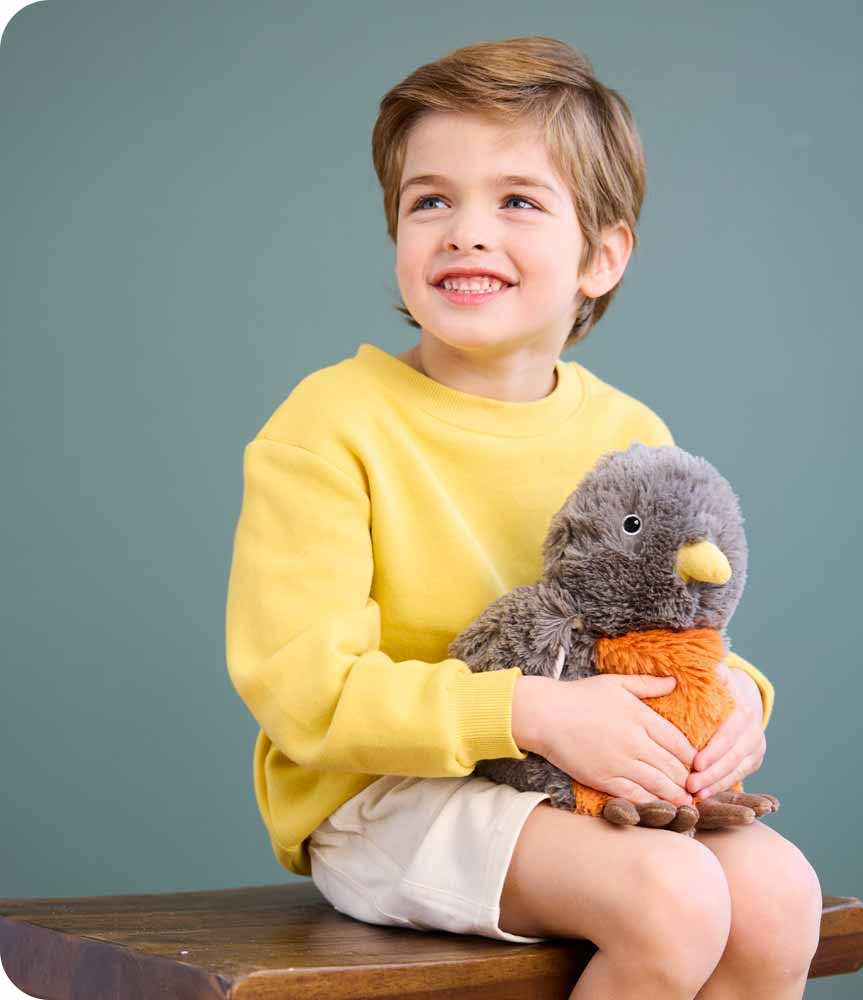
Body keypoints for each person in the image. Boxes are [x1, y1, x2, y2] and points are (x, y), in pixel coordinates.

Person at [225, 35, 822, 1000]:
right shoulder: (328, 424)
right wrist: (531, 711)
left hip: (574, 784)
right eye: (431, 200)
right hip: (385, 795)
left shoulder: (629, 432)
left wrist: (741, 698)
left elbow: (674, 623)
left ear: (602, 255)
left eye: (517, 200)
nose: (465, 230)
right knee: (672, 897)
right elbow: (302, 689)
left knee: (780, 893)